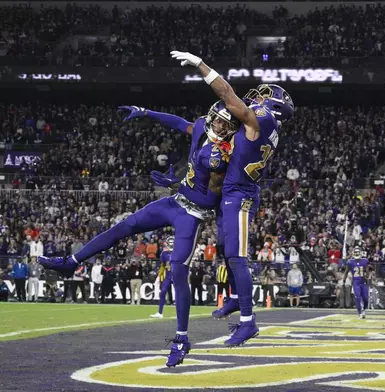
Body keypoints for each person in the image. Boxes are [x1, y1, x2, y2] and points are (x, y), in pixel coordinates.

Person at [37, 96, 236, 367]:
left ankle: (181, 339)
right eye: (222, 122)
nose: (224, 128)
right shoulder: (201, 127)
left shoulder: (224, 154)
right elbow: (179, 123)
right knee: (125, 226)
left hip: (192, 214)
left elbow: (211, 195)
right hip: (174, 203)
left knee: (178, 269)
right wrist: (146, 112)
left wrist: (176, 183)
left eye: (229, 125)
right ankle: (71, 262)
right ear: (212, 117)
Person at [169, 50, 294, 346]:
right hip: (231, 192)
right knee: (225, 247)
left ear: (272, 107)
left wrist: (201, 65)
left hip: (240, 194)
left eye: (265, 97)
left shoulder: (260, 120)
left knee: (237, 256)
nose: (258, 99)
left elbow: (226, 94)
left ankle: (249, 322)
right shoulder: (266, 127)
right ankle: (237, 298)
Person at [343, 247, 370, 318]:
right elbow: (346, 272)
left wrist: (367, 276)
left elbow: (367, 271)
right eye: (356, 252)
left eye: (358, 252)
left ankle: (364, 310)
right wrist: (344, 280)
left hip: (363, 282)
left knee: (366, 298)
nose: (357, 254)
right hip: (356, 282)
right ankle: (359, 312)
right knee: (357, 297)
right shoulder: (350, 262)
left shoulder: (364, 261)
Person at [151, 237, 174, 318]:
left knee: (179, 294)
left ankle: (182, 313)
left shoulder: (178, 252)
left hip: (176, 275)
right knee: (163, 292)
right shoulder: (164, 253)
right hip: (168, 275)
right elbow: (163, 265)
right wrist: (159, 275)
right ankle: (160, 312)